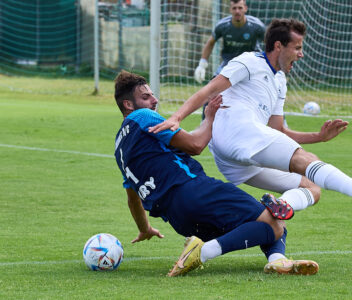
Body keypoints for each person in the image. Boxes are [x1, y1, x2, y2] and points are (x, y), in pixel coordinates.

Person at [149, 18, 352, 216]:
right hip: (237, 132)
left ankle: (281, 206)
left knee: (312, 187)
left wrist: (318, 137)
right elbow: (209, 89)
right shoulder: (250, 61)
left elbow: (278, 131)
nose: (301, 53)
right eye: (297, 47)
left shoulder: (280, 81)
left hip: (232, 161)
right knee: (309, 162)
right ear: (278, 45)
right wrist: (178, 117)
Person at [113, 70, 318, 276]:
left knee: (272, 224)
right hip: (194, 191)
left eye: (152, 95)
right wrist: (210, 117)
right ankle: (202, 252)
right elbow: (195, 145)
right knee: (272, 219)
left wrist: (144, 228)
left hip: (178, 218)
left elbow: (133, 198)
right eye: (146, 97)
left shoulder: (119, 148)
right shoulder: (142, 116)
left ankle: (277, 261)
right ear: (128, 105)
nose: (154, 100)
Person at [194, 0, 265, 84]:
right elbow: (210, 42)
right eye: (234, 8)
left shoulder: (257, 26)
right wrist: (202, 65)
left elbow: (269, 43)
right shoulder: (222, 25)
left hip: (252, 63)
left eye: (240, 8)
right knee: (212, 87)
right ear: (230, 10)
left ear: (245, 9)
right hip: (229, 62)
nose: (237, 11)